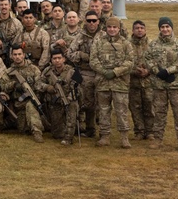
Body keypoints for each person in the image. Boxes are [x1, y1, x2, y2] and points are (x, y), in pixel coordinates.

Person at [146, 17, 178, 151]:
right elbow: (148, 59)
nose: (165, 29)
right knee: (159, 113)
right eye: (162, 27)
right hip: (159, 85)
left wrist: (168, 71)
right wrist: (157, 71)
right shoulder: (153, 44)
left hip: (176, 84)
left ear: (171, 28)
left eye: (167, 26)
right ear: (159, 28)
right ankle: (158, 139)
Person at [90, 16, 134, 148]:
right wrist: (104, 72)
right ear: (106, 28)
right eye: (109, 27)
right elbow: (93, 60)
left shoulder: (126, 43)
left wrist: (115, 72)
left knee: (121, 111)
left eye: (115, 27)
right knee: (103, 110)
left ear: (119, 29)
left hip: (120, 83)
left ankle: (124, 137)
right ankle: (104, 136)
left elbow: (130, 62)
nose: (112, 29)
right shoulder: (98, 42)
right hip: (103, 83)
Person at [67, 10, 102, 139]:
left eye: (94, 20)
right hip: (85, 72)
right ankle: (89, 128)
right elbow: (70, 53)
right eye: (89, 21)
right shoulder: (80, 36)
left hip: (101, 72)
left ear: (98, 21)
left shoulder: (104, 36)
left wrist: (95, 58)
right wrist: (81, 55)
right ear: (85, 22)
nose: (91, 23)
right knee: (87, 102)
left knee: (101, 103)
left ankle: (104, 131)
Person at [5, 44, 45, 143]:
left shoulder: (33, 69)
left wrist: (33, 92)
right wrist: (14, 84)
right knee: (22, 129)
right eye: (15, 54)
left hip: (31, 100)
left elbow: (39, 85)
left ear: (23, 55)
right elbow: (4, 87)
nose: (17, 57)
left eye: (19, 54)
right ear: (11, 56)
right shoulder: (9, 71)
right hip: (17, 103)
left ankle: (37, 132)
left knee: (31, 106)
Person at [40, 48, 79, 145]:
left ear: (64, 59)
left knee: (72, 107)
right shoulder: (47, 71)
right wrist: (47, 87)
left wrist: (69, 98)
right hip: (55, 102)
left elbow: (79, 87)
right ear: (51, 60)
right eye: (54, 58)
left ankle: (69, 137)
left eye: (59, 58)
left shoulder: (73, 70)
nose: (57, 60)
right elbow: (38, 83)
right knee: (56, 134)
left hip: (69, 101)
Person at [128, 20, 155, 140]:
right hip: (132, 82)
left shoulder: (152, 45)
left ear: (145, 30)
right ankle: (139, 131)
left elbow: (157, 61)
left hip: (149, 82)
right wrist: (135, 71)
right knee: (135, 107)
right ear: (132, 30)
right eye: (137, 28)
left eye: (142, 28)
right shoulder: (127, 44)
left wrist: (148, 71)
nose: (139, 30)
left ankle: (150, 131)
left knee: (149, 106)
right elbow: (123, 62)